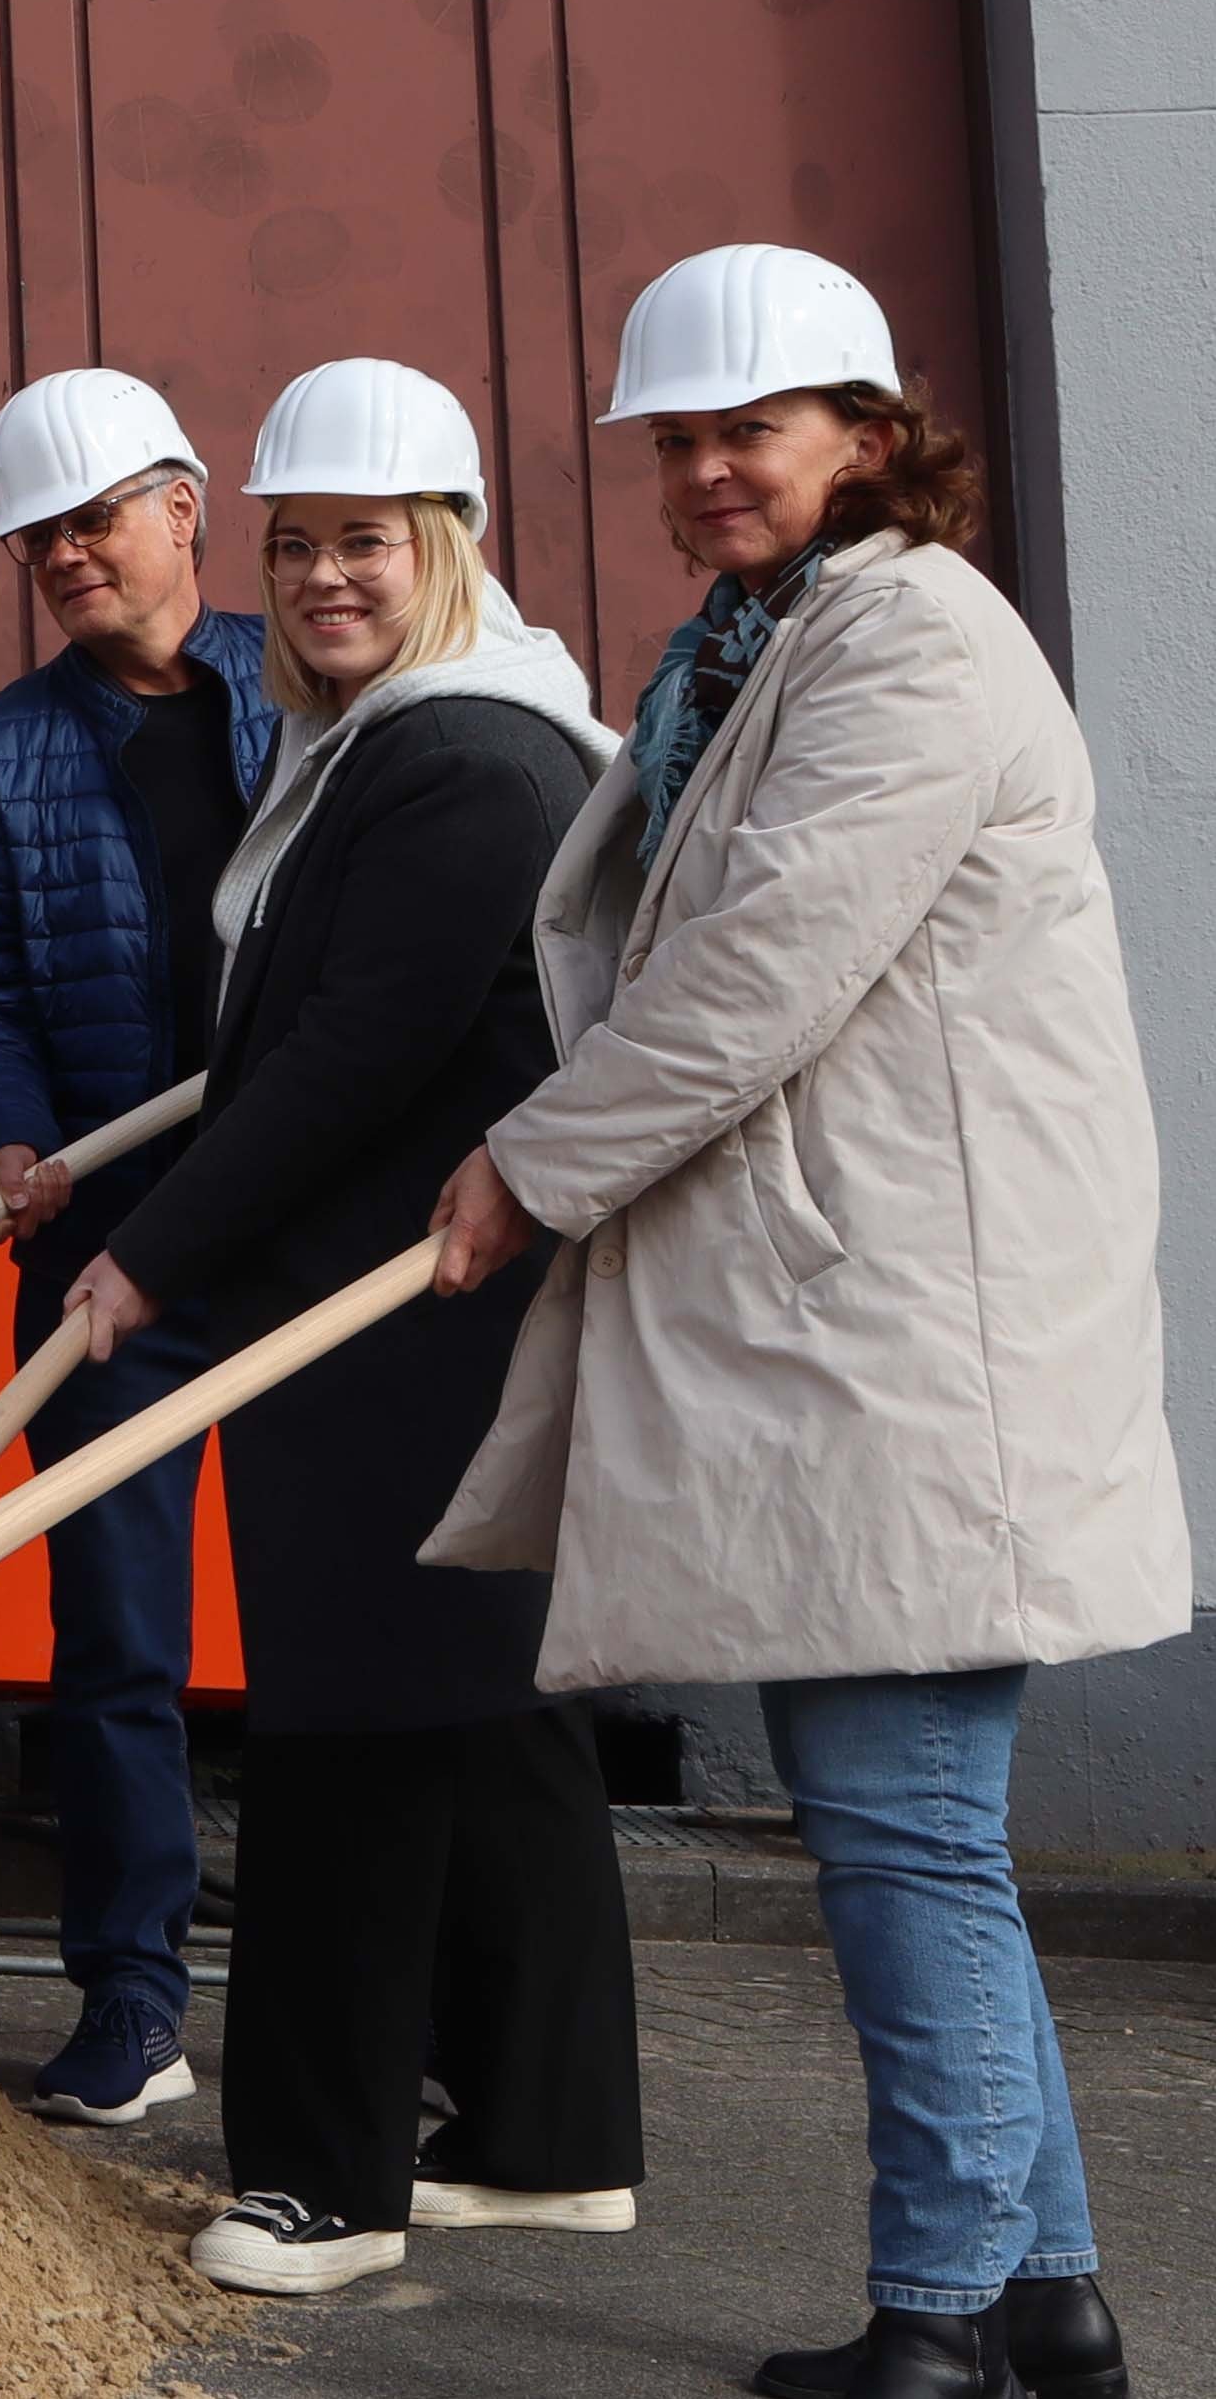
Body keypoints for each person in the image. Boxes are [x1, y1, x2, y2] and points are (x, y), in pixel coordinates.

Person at [428, 245, 1184, 2399]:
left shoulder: (908, 647)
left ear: (862, 432)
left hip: (912, 1350)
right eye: (670, 440)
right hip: (875, 1337)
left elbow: (752, 974)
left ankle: (934, 2323)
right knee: (923, 1839)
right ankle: (1040, 2298)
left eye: (739, 431)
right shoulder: (770, 648)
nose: (697, 471)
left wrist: (527, 1165)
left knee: (900, 1842)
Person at [54, 359, 638, 2298]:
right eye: (292, 544)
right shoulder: (390, 748)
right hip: (420, 1318)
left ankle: (323, 2177)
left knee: (347, 1740)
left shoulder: (460, 759)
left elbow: (346, 1056)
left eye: (360, 544)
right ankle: (543, 2135)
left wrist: (149, 1254)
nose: (320, 579)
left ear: (441, 549)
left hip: (400, 1317)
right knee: (485, 1723)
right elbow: (301, 1039)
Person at [0, 367, 276, 2124]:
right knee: (115, 1641)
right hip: (112, 1251)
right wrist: (7, 1130)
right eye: (38, 534)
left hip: (311, 1221)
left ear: (184, 505)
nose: (65, 553)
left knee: (343, 1623)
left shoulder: (317, 695)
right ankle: (134, 2000)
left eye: (95, 518)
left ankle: (370, 2004)